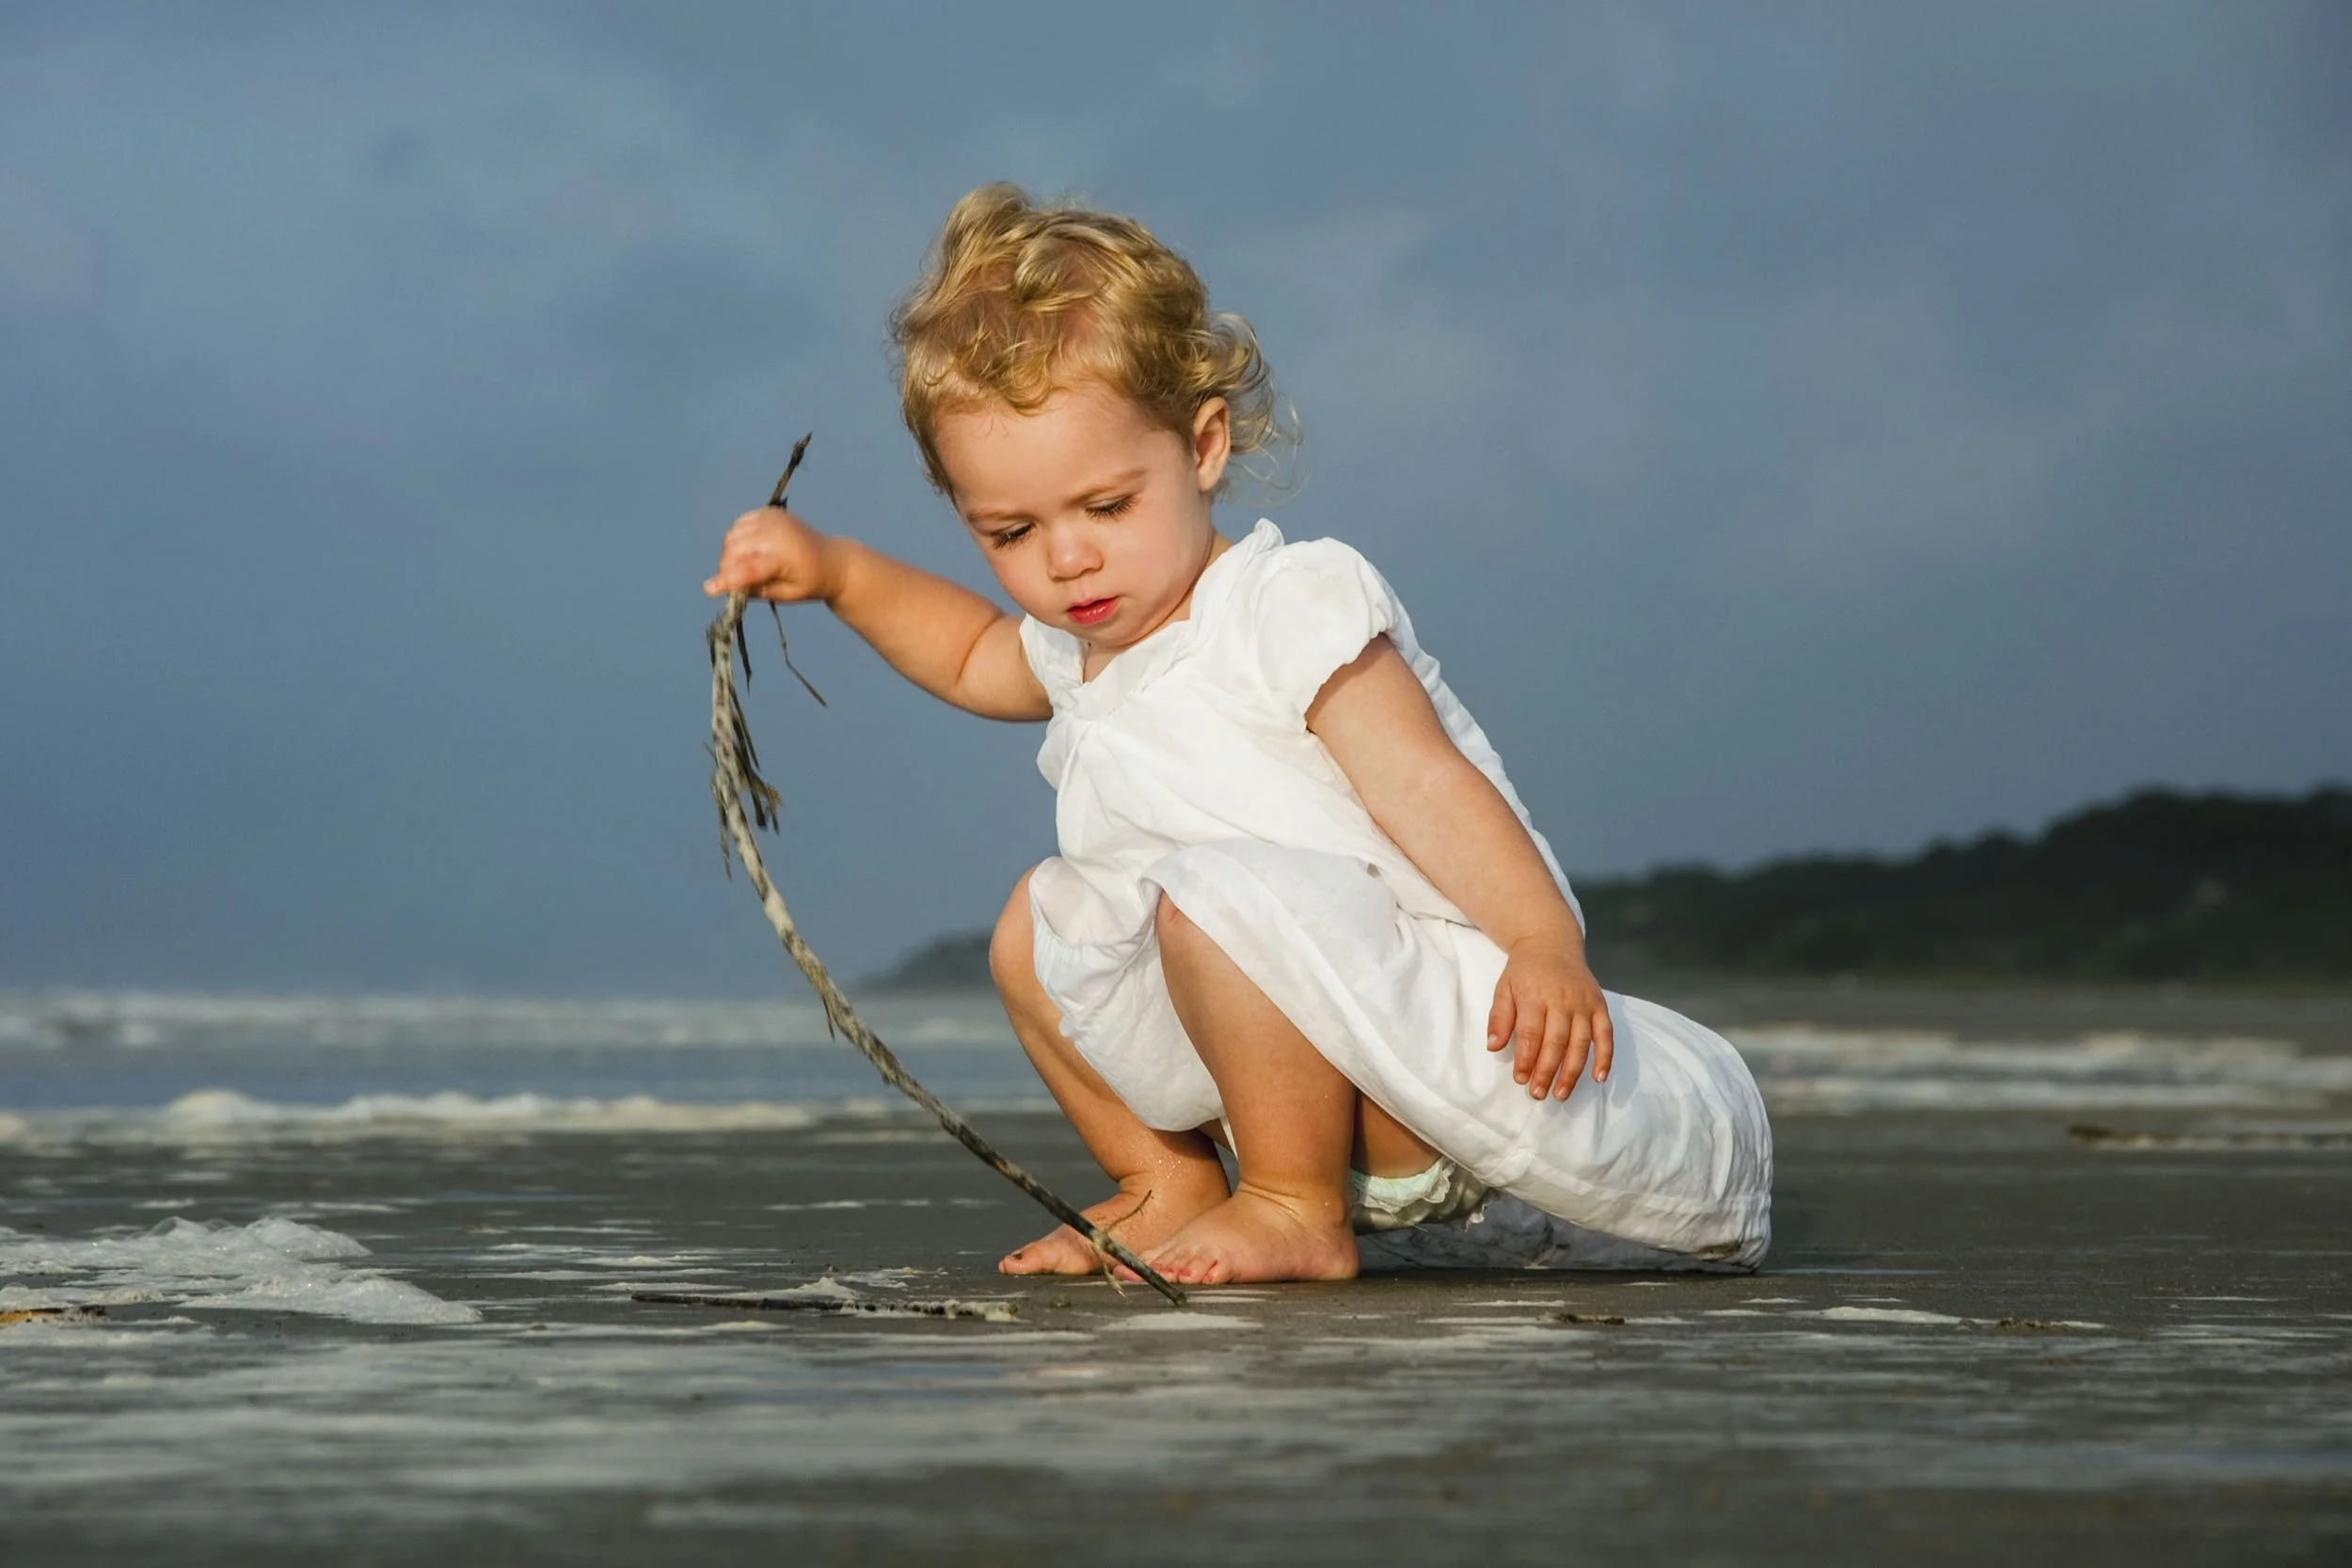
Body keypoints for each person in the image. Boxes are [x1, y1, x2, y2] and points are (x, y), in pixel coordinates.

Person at [705, 184, 1772, 1285]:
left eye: (1106, 507)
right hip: (1286, 1079)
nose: (1066, 560)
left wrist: (1543, 939)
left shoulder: (1283, 603)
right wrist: (834, 572)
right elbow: (973, 653)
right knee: (1034, 923)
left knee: (1213, 894)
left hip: (1420, 1053)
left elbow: (1424, 781)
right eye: (1012, 531)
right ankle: (1173, 1175)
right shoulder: (1084, 649)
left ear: (1203, 445)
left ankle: (1293, 1206)